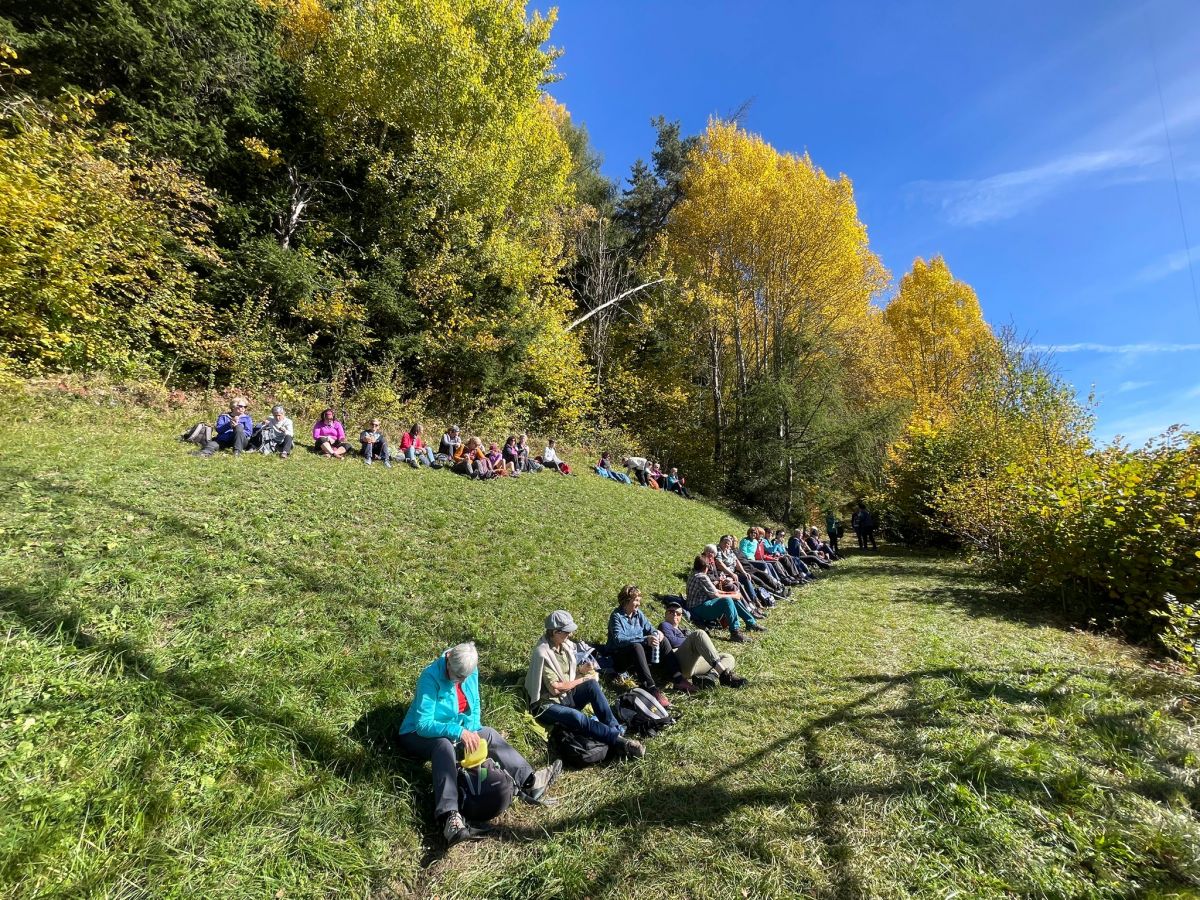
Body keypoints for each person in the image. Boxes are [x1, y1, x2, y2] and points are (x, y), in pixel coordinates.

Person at [398, 643, 562, 846]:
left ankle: (530, 781)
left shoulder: (469, 671)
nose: (461, 681)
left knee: (488, 734)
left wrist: (472, 730)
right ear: (448, 659)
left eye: (465, 677)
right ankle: (450, 818)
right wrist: (459, 732)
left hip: (455, 729)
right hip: (416, 734)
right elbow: (423, 725)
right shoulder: (430, 677)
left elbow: (474, 705)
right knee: (443, 746)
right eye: (458, 677)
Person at [525, 610, 645, 759]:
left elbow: (565, 672)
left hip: (566, 697)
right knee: (576, 716)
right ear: (555, 632)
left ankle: (614, 728)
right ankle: (620, 741)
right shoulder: (542, 653)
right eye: (567, 632)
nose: (570, 634)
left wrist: (582, 670)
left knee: (592, 686)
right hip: (548, 704)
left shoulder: (564, 645)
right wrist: (583, 679)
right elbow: (555, 688)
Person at [607, 585, 695, 705]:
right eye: (636, 600)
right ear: (627, 600)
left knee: (663, 641)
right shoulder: (616, 616)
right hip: (619, 657)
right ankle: (650, 687)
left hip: (638, 654)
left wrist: (657, 633)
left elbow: (650, 629)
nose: (639, 604)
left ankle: (678, 678)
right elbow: (619, 639)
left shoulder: (638, 614)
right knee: (636, 646)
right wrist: (644, 640)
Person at [659, 601, 746, 688]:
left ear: (681, 617)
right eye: (671, 612)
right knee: (699, 634)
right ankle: (725, 676)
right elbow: (673, 642)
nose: (675, 614)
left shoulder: (683, 630)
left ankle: (711, 677)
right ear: (666, 614)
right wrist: (690, 640)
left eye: (678, 613)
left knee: (728, 657)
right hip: (678, 662)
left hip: (693, 663)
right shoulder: (665, 625)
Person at [686, 552, 763, 640]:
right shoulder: (702, 577)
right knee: (727, 601)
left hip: (699, 605)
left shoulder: (695, 574)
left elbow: (714, 591)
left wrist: (731, 594)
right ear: (706, 567)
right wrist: (733, 596)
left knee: (732, 599)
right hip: (698, 608)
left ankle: (751, 623)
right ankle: (735, 632)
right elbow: (716, 595)